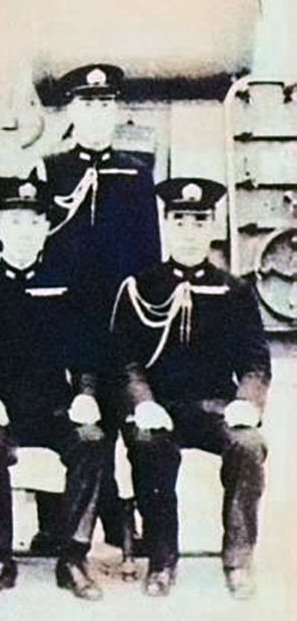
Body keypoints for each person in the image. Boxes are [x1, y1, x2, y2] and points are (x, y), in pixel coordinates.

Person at [0, 178, 106, 601]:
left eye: (34, 223)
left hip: (52, 411)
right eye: (14, 221)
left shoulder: (67, 287)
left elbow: (88, 356)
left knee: (91, 439)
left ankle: (73, 558)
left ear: (46, 229)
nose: (24, 232)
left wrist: (86, 394)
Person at [110, 177, 270, 600]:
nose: (189, 231)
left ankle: (238, 560)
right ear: (166, 225)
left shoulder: (235, 291)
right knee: (149, 444)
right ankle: (162, 560)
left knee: (249, 445)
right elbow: (124, 360)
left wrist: (246, 401)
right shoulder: (140, 287)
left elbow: (256, 360)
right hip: (159, 407)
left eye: (199, 222)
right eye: (179, 221)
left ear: (213, 227)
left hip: (216, 408)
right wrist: (143, 402)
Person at [36, 62, 160, 554]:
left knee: (123, 420)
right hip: (62, 319)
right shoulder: (50, 170)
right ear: (71, 111)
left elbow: (149, 259)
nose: (95, 112)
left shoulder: (136, 174)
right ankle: (54, 526)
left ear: (115, 112)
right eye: (86, 104)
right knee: (68, 416)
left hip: (118, 321)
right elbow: (39, 250)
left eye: (104, 104)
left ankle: (130, 527)